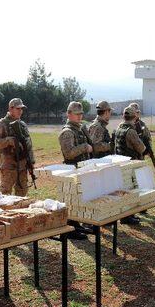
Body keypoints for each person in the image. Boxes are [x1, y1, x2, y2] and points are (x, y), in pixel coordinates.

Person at [58, 101, 92, 240]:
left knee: (78, 198)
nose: (79, 116)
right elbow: (69, 153)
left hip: (80, 169)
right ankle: (70, 228)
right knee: (71, 200)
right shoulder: (67, 132)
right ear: (69, 114)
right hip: (71, 169)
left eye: (81, 114)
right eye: (76, 114)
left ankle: (76, 225)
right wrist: (84, 147)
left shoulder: (79, 129)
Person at [0, 98, 34, 197]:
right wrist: (8, 141)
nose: (20, 111)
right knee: (5, 194)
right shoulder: (1, 124)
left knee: (22, 193)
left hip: (23, 165)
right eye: (18, 108)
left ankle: (20, 212)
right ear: (10, 109)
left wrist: (31, 162)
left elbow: (29, 145)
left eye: (21, 109)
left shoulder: (22, 125)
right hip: (8, 166)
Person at [114, 105, 147, 225]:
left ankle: (126, 215)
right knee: (130, 191)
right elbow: (141, 148)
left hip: (119, 163)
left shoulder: (118, 128)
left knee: (124, 190)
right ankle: (127, 216)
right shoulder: (131, 131)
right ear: (134, 117)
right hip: (130, 164)